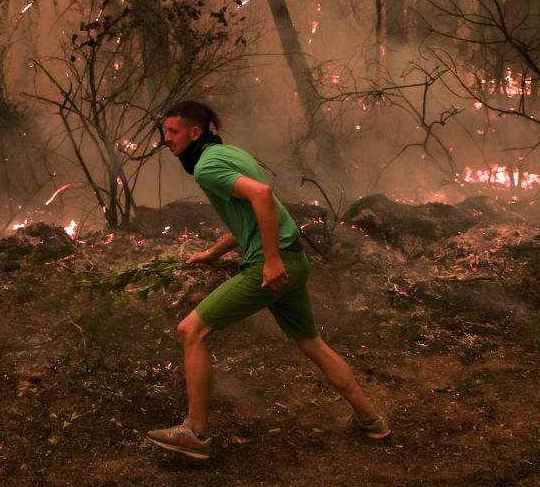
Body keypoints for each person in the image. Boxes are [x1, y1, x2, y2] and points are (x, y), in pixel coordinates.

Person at [145, 100, 389, 460]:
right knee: (312, 344)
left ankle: (195, 433)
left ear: (194, 133)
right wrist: (214, 253)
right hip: (294, 259)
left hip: (272, 264)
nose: (167, 139)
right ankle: (373, 421)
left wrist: (271, 260)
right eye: (166, 132)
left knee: (190, 330)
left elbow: (262, 196)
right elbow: (255, 211)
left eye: (174, 132)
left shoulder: (208, 166)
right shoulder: (228, 152)